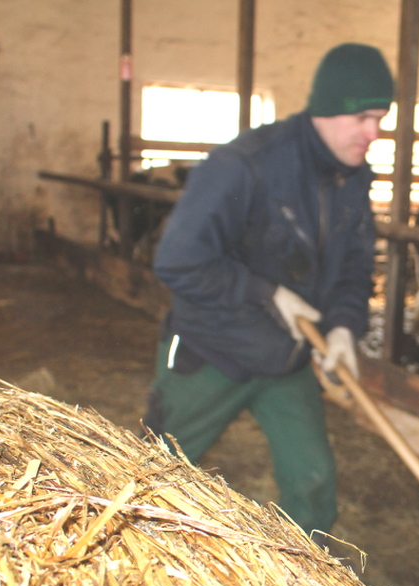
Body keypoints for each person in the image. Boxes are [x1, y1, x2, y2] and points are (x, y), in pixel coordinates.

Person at [142, 43, 394, 546]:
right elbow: (178, 260)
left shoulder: (353, 178)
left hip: (287, 359)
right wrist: (266, 293)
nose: (374, 133)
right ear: (326, 109)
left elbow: (354, 265)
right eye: (363, 117)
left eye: (382, 118)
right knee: (152, 478)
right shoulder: (246, 164)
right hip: (210, 349)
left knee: (315, 483)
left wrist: (344, 326)